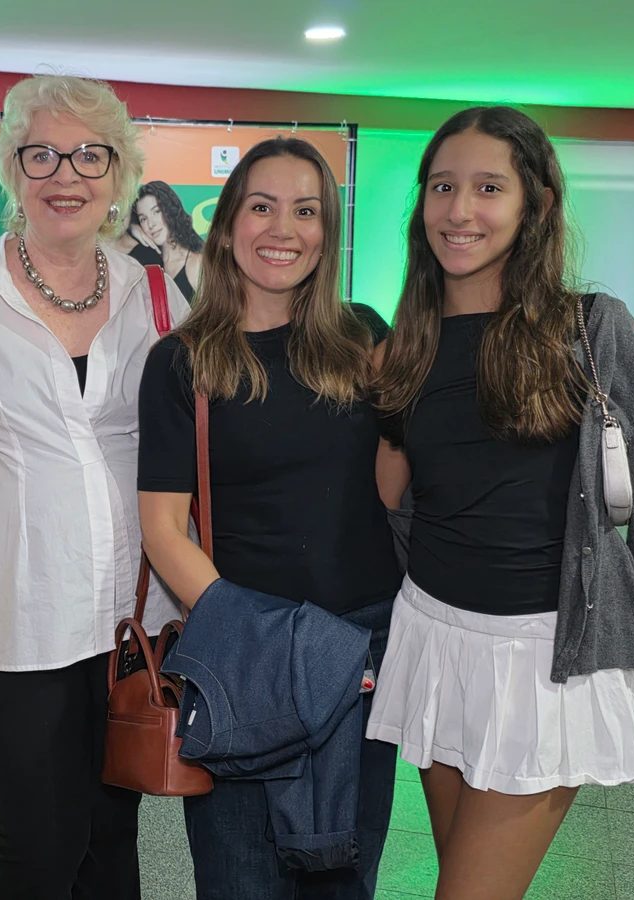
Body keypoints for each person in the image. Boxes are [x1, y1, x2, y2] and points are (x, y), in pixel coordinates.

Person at [367, 106, 634, 900]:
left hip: (546, 660)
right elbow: (392, 500)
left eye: (488, 187)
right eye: (442, 187)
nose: (459, 210)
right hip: (433, 638)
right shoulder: (408, 343)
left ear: (535, 204)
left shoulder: (592, 329)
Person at [0, 74, 189, 900]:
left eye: (89, 155)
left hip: (133, 614)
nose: (66, 175)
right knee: (41, 839)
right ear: (12, 168)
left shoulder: (152, 293)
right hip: (12, 615)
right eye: (42, 155)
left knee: (112, 834)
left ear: (117, 173)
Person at [137, 136, 400, 900]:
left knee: (345, 878)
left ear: (327, 230)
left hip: (361, 648)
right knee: (240, 879)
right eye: (262, 206)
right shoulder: (183, 361)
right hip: (245, 661)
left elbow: (393, 491)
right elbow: (163, 529)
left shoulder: (366, 338)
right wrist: (258, 639)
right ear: (226, 227)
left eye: (305, 211)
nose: (283, 229)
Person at [130, 181, 204, 300]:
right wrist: (132, 228)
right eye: (143, 219)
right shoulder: (146, 264)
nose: (151, 224)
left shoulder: (195, 263)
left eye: (156, 212)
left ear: (170, 210)